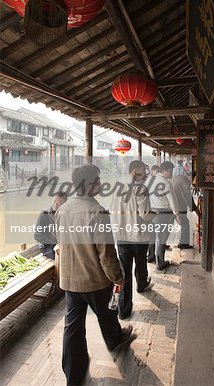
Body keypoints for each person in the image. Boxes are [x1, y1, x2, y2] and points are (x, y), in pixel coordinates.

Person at [55, 164, 135, 386]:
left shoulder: (63, 209)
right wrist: (118, 277)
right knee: (107, 315)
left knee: (72, 326)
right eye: (98, 180)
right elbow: (106, 253)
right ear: (90, 185)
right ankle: (115, 340)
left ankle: (73, 371)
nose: (100, 184)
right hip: (94, 280)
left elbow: (61, 242)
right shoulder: (97, 211)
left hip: (70, 279)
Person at [110, 160, 154, 319]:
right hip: (139, 237)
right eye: (142, 171)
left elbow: (112, 211)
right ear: (135, 171)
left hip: (121, 237)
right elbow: (145, 214)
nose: (144, 175)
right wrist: (154, 214)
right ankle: (142, 285)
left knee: (124, 273)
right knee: (140, 264)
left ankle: (123, 310)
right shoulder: (141, 188)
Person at [145, 161, 180, 270]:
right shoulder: (166, 183)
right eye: (170, 170)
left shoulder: (150, 180)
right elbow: (173, 202)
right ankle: (160, 263)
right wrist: (177, 215)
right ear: (164, 171)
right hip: (164, 214)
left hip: (151, 213)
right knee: (161, 239)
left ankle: (150, 256)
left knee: (152, 236)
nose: (172, 173)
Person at [34, 191, 67, 259]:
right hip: (48, 247)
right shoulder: (44, 214)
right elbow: (37, 235)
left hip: (61, 246)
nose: (55, 204)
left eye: (59, 202)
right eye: (54, 201)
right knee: (63, 258)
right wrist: (55, 243)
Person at [171, 174, 199, 249]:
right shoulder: (184, 182)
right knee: (185, 224)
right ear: (191, 178)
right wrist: (196, 210)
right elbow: (188, 197)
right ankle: (183, 244)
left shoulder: (179, 177)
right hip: (178, 206)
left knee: (182, 223)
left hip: (173, 205)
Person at [146, 164, 160, 261]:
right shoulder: (152, 180)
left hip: (150, 210)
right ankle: (151, 255)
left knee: (152, 235)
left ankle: (150, 255)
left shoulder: (148, 180)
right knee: (153, 235)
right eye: (157, 172)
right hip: (152, 211)